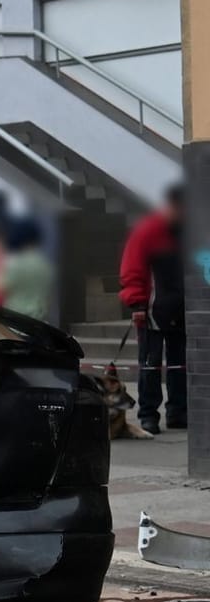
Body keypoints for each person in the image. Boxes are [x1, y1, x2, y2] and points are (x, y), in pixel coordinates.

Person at [121, 184, 187, 435]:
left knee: (179, 364)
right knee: (150, 365)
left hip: (181, 310)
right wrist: (136, 303)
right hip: (151, 310)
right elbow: (132, 268)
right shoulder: (148, 231)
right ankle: (148, 414)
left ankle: (178, 412)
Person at [0, 216, 53, 322]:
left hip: (16, 323)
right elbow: (48, 298)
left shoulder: (15, 263)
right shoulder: (45, 265)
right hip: (39, 323)